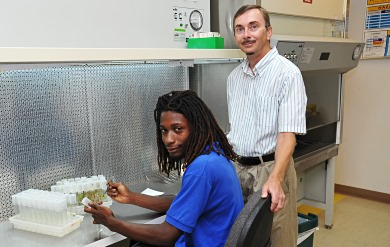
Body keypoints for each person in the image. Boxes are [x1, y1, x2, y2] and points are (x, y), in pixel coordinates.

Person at [84, 90, 244, 247]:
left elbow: (166, 236)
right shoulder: (214, 154)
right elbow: (183, 204)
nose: (169, 139)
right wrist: (131, 197)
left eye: (178, 129)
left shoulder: (201, 169)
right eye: (164, 130)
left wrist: (112, 223)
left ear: (197, 127)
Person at [227, 5, 307, 247]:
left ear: (269, 31)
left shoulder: (287, 74)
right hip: (238, 169)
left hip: (271, 168)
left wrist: (275, 178)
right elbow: (235, 130)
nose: (246, 34)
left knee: (277, 237)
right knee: (241, 239)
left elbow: (287, 135)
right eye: (240, 29)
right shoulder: (233, 78)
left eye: (254, 27)